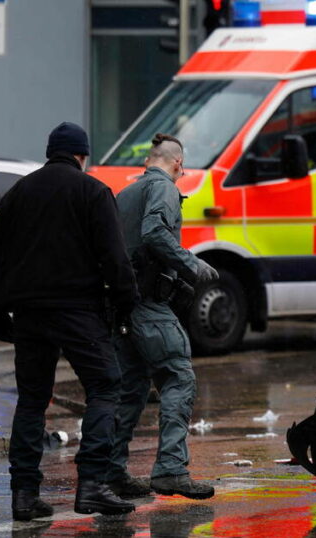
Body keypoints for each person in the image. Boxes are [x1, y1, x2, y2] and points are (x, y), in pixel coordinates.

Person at [0, 122, 139, 520]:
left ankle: (24, 495)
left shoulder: (20, 192)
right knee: (104, 385)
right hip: (79, 310)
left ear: (51, 152)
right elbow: (115, 259)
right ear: (82, 156)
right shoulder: (92, 192)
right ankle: (93, 485)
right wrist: (126, 304)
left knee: (32, 399)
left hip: (29, 313)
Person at [105, 133, 219, 500]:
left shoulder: (125, 196)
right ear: (176, 164)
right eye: (181, 169)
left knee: (132, 389)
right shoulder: (165, 189)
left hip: (121, 308)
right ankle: (170, 470)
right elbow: (154, 232)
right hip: (149, 306)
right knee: (178, 377)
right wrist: (192, 265)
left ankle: (112, 473)